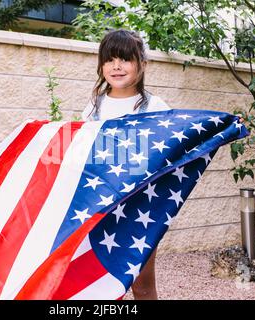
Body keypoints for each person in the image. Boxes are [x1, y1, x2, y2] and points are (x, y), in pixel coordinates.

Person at [81, 29, 245, 300]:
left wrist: (224, 126)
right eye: (109, 60)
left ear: (142, 64)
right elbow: (85, 152)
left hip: (139, 207)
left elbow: (181, 141)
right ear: (101, 65)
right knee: (99, 282)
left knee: (142, 284)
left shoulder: (155, 107)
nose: (116, 66)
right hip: (100, 205)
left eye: (125, 59)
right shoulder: (93, 107)